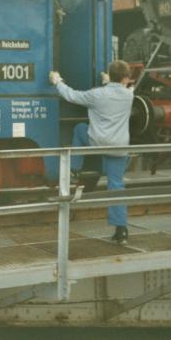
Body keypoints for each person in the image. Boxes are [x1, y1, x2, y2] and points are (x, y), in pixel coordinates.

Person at [48, 60, 134, 244]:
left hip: (98, 143)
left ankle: (74, 169)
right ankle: (121, 231)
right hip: (119, 147)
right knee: (117, 186)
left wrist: (57, 81)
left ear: (111, 75)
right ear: (125, 78)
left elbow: (72, 95)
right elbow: (117, 90)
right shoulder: (129, 95)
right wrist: (108, 82)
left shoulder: (96, 95)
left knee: (80, 128)